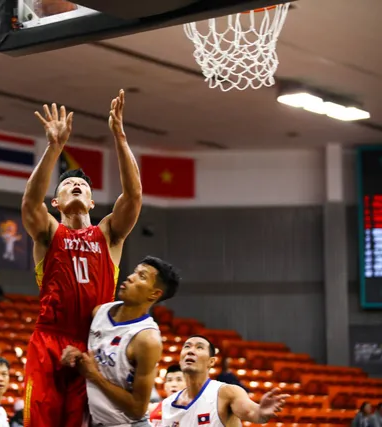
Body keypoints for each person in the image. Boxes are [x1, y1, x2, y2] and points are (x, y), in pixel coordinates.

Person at [21, 89, 142, 427]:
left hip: (93, 346)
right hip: (49, 341)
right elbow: (30, 205)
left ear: (91, 202)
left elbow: (133, 196)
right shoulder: (48, 232)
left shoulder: (108, 234)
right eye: (68, 184)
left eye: (82, 185)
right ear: (56, 203)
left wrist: (119, 136)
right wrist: (54, 148)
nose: (76, 185)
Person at [61, 256, 180, 427]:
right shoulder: (100, 312)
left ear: (154, 293)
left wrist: (94, 376)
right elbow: (88, 356)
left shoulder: (147, 339)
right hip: (96, 421)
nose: (130, 277)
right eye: (134, 272)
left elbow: (138, 409)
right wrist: (74, 354)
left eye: (142, 276)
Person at [162, 336, 289, 426]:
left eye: (199, 348)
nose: (190, 351)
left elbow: (251, 412)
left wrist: (261, 412)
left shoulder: (226, 392)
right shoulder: (167, 404)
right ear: (180, 360)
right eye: (187, 347)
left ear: (211, 362)